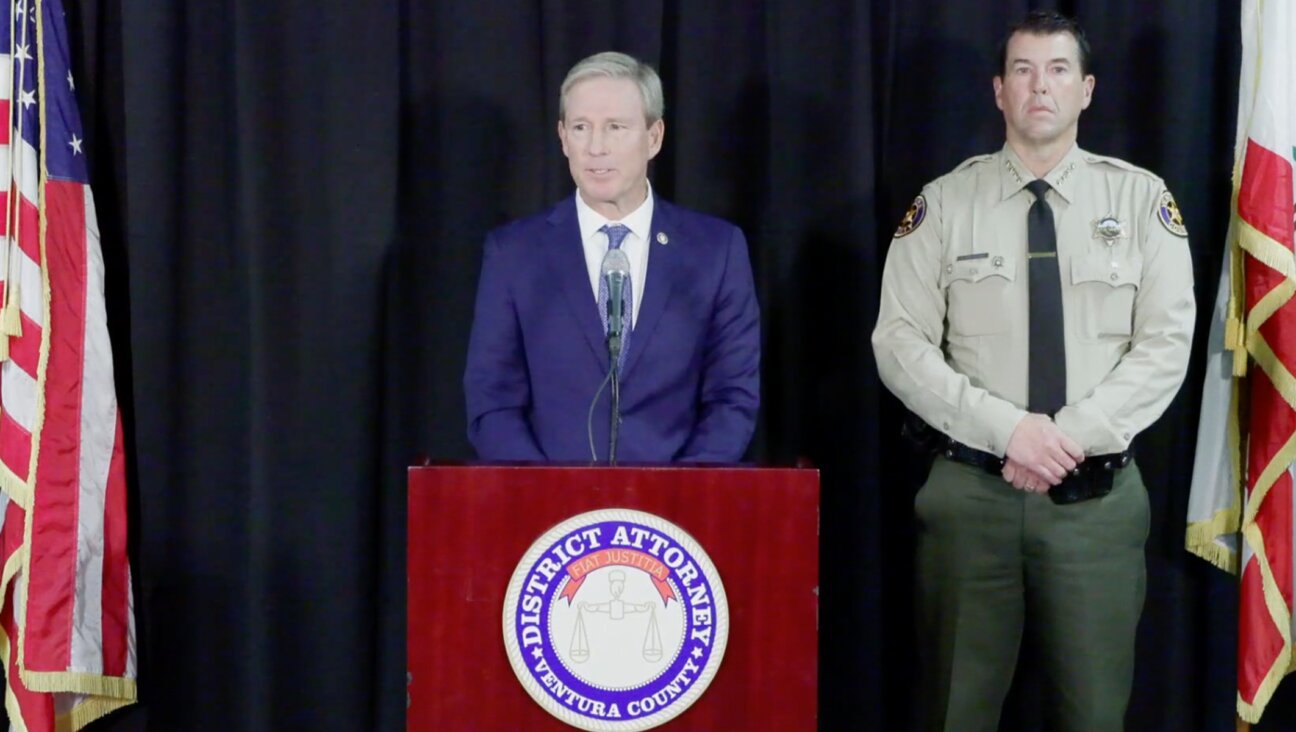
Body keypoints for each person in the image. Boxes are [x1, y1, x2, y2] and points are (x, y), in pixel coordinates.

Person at [871, 11, 1194, 730]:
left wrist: (1065, 436)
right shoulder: (946, 203)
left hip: (1096, 503)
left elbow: (1166, 345)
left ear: (1086, 90)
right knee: (955, 711)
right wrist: (1009, 431)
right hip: (970, 497)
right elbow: (899, 342)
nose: (1038, 86)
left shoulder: (1142, 201)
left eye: (1056, 71)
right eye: (1022, 70)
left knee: (1094, 715)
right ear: (997, 91)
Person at [464, 51, 760, 463]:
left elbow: (733, 397)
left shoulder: (716, 250)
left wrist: (684, 496)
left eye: (615, 128)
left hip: (676, 513)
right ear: (563, 136)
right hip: (548, 513)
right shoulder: (514, 253)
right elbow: (492, 399)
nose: (595, 147)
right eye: (581, 127)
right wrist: (543, 496)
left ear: (654, 137)